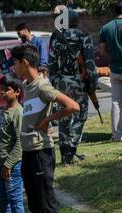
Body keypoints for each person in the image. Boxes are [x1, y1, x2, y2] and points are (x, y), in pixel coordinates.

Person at [11, 44, 79, 213]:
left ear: (25, 63)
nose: (13, 67)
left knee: (47, 204)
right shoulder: (26, 86)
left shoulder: (42, 86)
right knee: (35, 204)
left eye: (15, 62)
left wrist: (48, 121)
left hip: (42, 153)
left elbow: (73, 106)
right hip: (27, 152)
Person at [49, 8, 98, 165]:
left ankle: (64, 152)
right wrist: (92, 85)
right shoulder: (84, 37)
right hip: (78, 83)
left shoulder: (55, 37)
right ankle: (71, 151)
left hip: (61, 83)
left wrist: (56, 83)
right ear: (77, 21)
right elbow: (90, 64)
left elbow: (51, 64)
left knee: (64, 115)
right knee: (80, 116)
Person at [0, 74, 26, 213]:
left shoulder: (18, 113)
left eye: (7, 89)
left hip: (12, 166)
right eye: (2, 89)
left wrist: (9, 164)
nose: (3, 92)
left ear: (17, 92)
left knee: (14, 201)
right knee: (1, 202)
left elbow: (19, 143)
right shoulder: (3, 111)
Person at [100, 1, 122, 142]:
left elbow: (102, 51)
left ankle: (117, 135)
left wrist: (112, 56)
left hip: (114, 68)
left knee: (115, 103)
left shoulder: (105, 28)